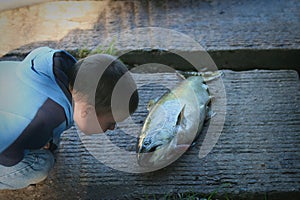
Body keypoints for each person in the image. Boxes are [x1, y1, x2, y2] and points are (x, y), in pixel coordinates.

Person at [0, 46, 139, 189]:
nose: (112, 128)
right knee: (40, 165)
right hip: (6, 144)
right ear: (87, 111)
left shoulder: (64, 73)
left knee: (50, 141)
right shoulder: (37, 120)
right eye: (111, 122)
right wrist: (24, 148)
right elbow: (6, 153)